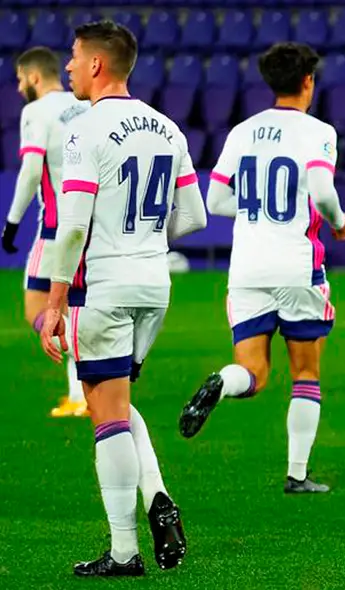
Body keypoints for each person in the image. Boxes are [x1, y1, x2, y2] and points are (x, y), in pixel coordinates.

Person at [39, 20, 207, 576]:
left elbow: (71, 227)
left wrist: (55, 300)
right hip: (155, 286)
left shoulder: (83, 129)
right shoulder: (168, 128)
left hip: (106, 285)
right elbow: (193, 217)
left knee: (105, 413)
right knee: (116, 400)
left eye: (73, 56)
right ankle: (158, 496)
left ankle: (124, 551)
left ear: (96, 64)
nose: (68, 66)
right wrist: (147, 243)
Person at [178, 42, 345, 494]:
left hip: (247, 269)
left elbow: (215, 200)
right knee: (305, 374)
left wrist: (258, 211)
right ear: (308, 81)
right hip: (296, 267)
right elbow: (322, 191)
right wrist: (339, 222)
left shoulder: (242, 131)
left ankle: (222, 382)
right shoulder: (319, 132)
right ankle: (297, 474)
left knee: (253, 374)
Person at [3, 47, 90, 417]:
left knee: (37, 309)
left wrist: (11, 223)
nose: (19, 87)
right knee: (74, 309)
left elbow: (31, 170)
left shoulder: (36, 111)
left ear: (34, 77)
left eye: (20, 79)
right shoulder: (86, 105)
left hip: (56, 227)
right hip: (93, 226)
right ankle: (80, 394)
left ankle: (86, 373)